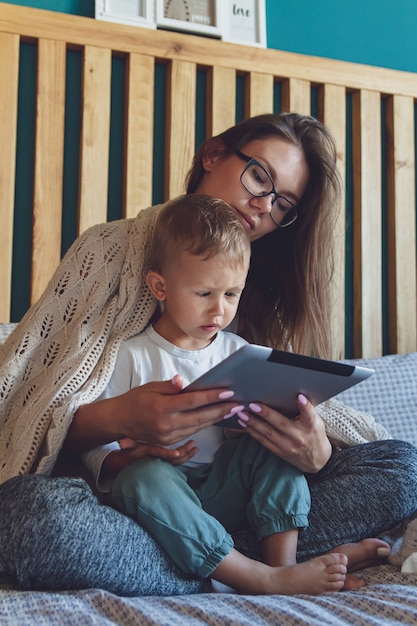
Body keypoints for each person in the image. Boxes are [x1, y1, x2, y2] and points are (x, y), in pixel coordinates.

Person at [0, 113, 416, 597]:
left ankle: (231, 566)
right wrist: (121, 417)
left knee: (401, 469)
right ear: (213, 155)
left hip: (234, 495)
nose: (262, 206)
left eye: (283, 203)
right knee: (29, 516)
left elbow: (298, 432)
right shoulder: (108, 251)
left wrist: (314, 451)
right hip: (138, 500)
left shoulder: (264, 291)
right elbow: (28, 409)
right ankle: (252, 570)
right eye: (260, 177)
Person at [83, 193, 348, 596]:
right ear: (160, 286)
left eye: (231, 294)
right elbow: (97, 450)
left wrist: (254, 426)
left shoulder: (239, 353)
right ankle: (256, 577)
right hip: (165, 495)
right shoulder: (130, 355)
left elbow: (253, 431)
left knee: (272, 448)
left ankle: (284, 566)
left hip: (224, 485)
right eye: (204, 294)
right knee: (140, 477)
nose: (219, 311)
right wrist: (129, 455)